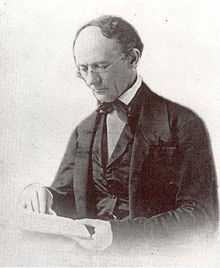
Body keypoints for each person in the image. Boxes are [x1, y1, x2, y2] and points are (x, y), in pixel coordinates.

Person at [19, 15, 218, 252]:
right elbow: (66, 198)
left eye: (102, 66)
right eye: (84, 69)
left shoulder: (183, 123)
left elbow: (202, 218)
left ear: (133, 58)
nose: (92, 80)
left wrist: (119, 235)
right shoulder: (83, 131)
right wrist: (43, 195)